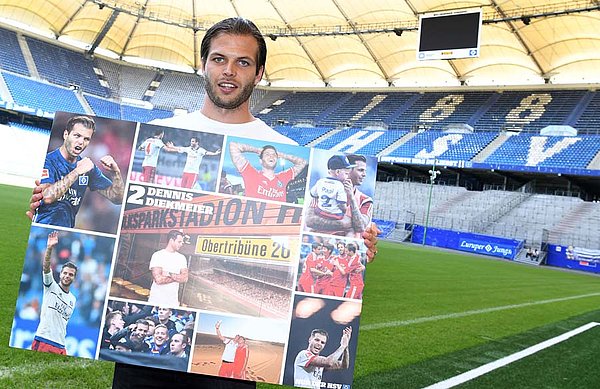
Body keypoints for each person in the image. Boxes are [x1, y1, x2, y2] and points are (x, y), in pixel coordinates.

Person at [27, 16, 377, 389]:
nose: (229, 71)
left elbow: (314, 230)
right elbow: (116, 201)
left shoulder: (283, 148)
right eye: (219, 59)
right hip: (142, 369)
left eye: (243, 62)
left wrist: (356, 243)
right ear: (203, 64)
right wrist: (43, 210)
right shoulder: (165, 128)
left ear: (258, 74)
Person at [32, 115, 124, 228]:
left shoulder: (88, 167)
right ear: (66, 135)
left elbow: (117, 198)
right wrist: (76, 172)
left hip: (67, 230)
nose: (81, 142)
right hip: (41, 227)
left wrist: (116, 173)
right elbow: (47, 197)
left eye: (86, 139)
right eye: (77, 136)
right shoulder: (49, 161)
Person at [305, 154, 374, 238]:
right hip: (320, 242)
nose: (364, 174)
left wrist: (352, 198)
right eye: (360, 170)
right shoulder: (322, 190)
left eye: (365, 171)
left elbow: (360, 227)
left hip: (345, 245)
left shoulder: (365, 200)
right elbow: (309, 220)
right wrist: (343, 224)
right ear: (348, 171)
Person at [31, 231, 77, 355]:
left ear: (74, 278)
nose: (67, 276)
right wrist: (49, 248)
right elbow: (46, 267)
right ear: (60, 273)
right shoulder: (51, 286)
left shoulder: (73, 299)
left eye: (71, 274)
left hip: (61, 345)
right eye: (65, 273)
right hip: (44, 340)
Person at [228, 142, 307, 202]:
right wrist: (257, 150)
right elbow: (233, 146)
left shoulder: (283, 177)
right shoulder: (251, 174)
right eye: (267, 154)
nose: (271, 156)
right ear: (261, 161)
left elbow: (303, 162)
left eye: (274, 155)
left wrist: (283, 155)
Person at [148, 230, 189, 307]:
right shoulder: (158, 255)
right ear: (171, 240)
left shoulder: (182, 258)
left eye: (182, 242)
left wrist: (168, 274)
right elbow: (159, 280)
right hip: (155, 300)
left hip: (172, 302)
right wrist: (177, 277)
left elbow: (185, 278)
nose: (181, 244)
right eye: (179, 242)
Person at [309, 155, 355, 220]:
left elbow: (312, 194)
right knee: (347, 218)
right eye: (346, 174)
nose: (347, 177)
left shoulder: (320, 181)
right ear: (337, 172)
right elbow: (342, 205)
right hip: (334, 215)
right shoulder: (340, 186)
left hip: (320, 212)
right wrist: (345, 210)